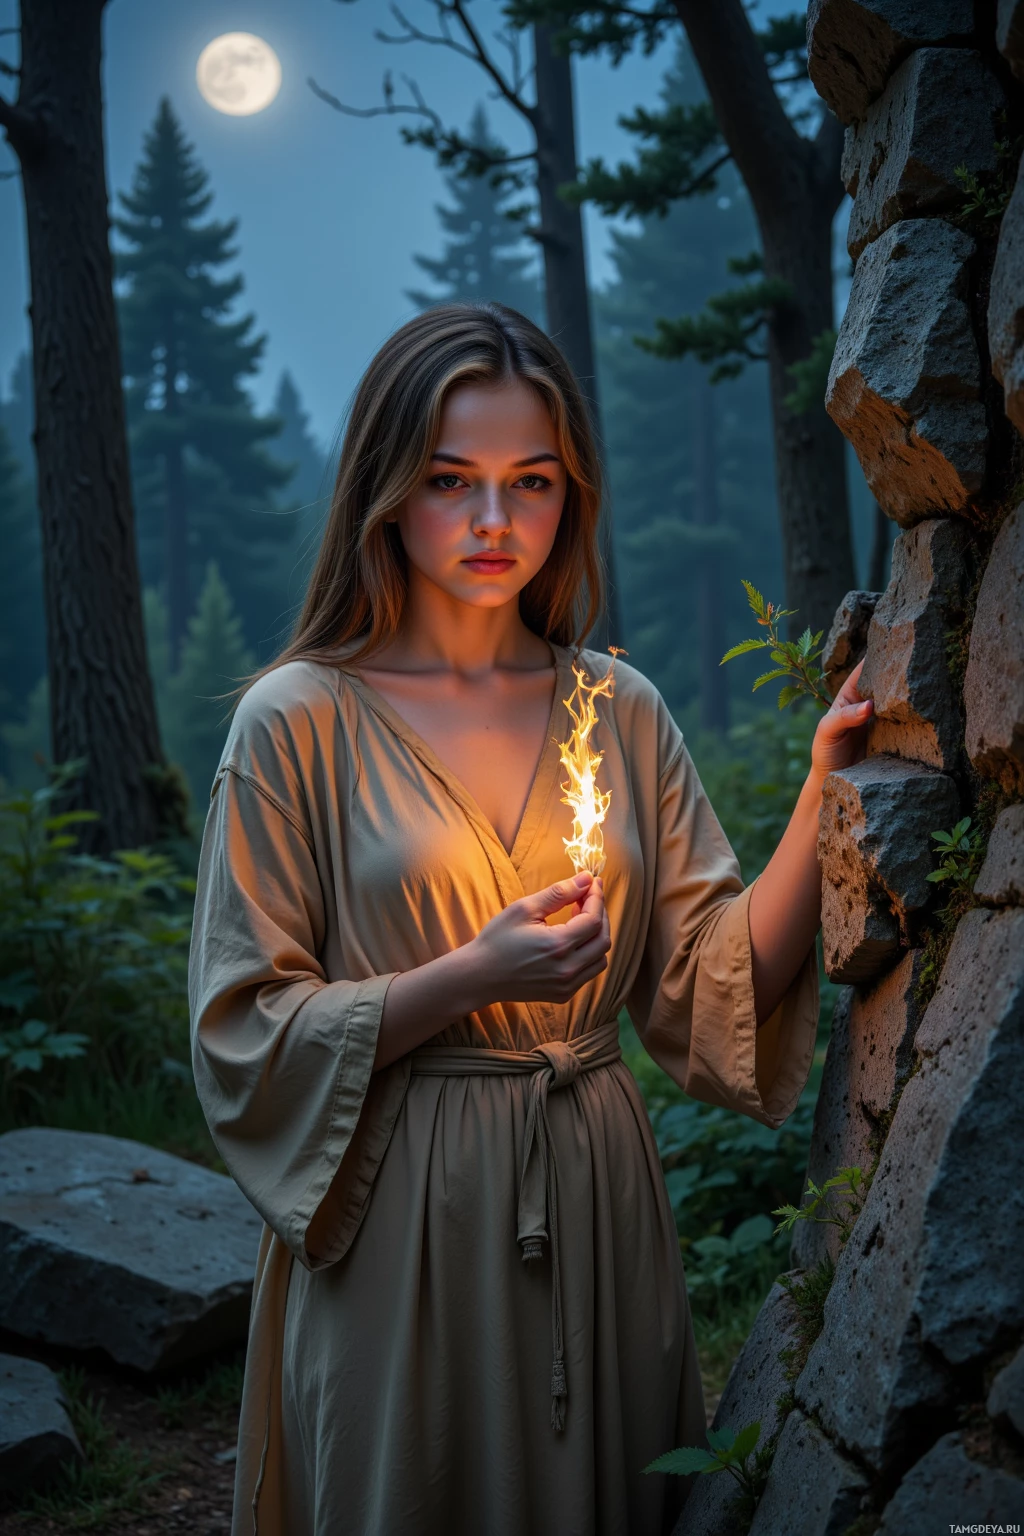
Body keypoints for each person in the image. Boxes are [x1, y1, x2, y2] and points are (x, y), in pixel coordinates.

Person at [188, 301, 873, 1536]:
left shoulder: (616, 710)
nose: (494, 522)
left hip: (595, 1184)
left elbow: (716, 978)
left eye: (532, 481)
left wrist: (825, 791)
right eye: (451, 480)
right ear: (385, 491)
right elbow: (244, 1032)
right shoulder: (296, 723)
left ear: (574, 495)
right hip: (397, 1214)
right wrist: (471, 973)